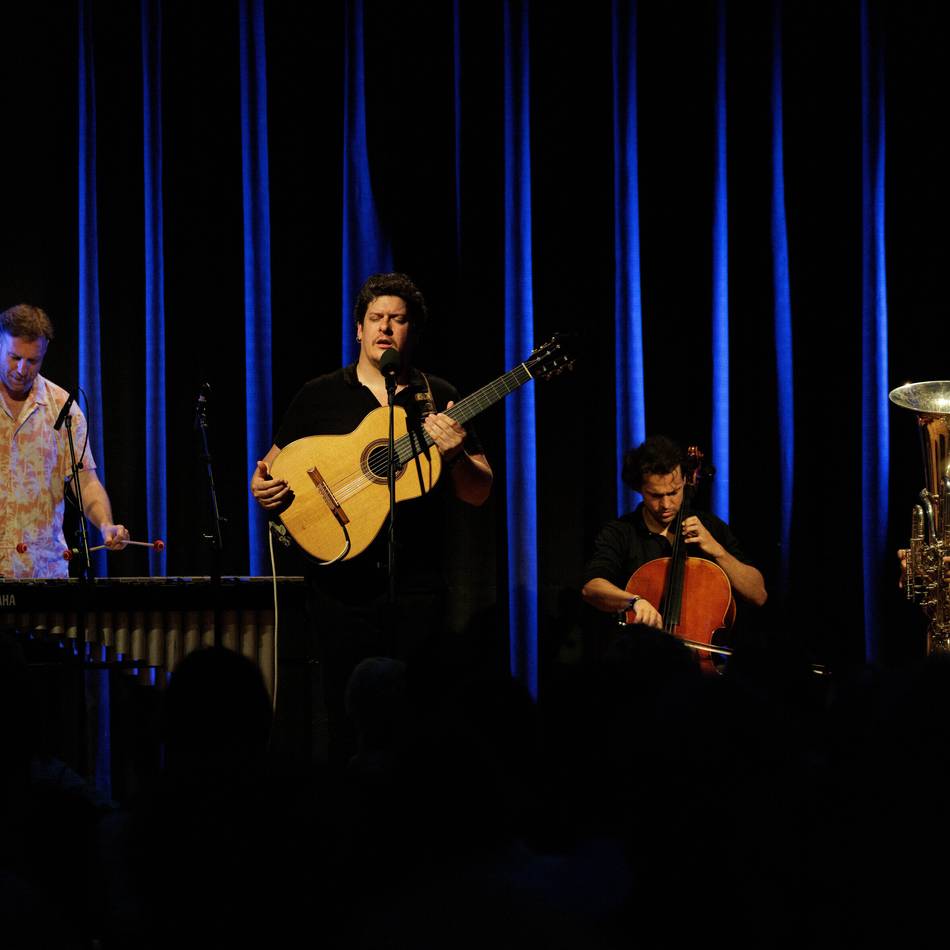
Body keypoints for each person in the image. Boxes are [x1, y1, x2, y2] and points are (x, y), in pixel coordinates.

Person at [250, 273, 492, 759]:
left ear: (411, 333)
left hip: (419, 587)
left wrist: (457, 454)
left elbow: (479, 491)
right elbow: (271, 467)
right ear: (358, 329)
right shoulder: (320, 394)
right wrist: (262, 487)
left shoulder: (436, 396)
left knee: (420, 719)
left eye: (398, 320)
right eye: (376, 318)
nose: (386, 328)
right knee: (344, 718)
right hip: (341, 589)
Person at [581, 435, 766, 627]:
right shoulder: (620, 532)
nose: (666, 504)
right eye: (655, 495)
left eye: (674, 492)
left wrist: (717, 551)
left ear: (685, 480)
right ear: (639, 488)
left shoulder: (709, 526)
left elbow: (758, 595)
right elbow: (592, 588)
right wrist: (634, 601)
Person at [0, 304, 129, 578]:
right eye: (14, 357)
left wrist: (105, 524)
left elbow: (86, 483)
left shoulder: (63, 408)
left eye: (32, 361)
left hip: (43, 571)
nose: (22, 369)